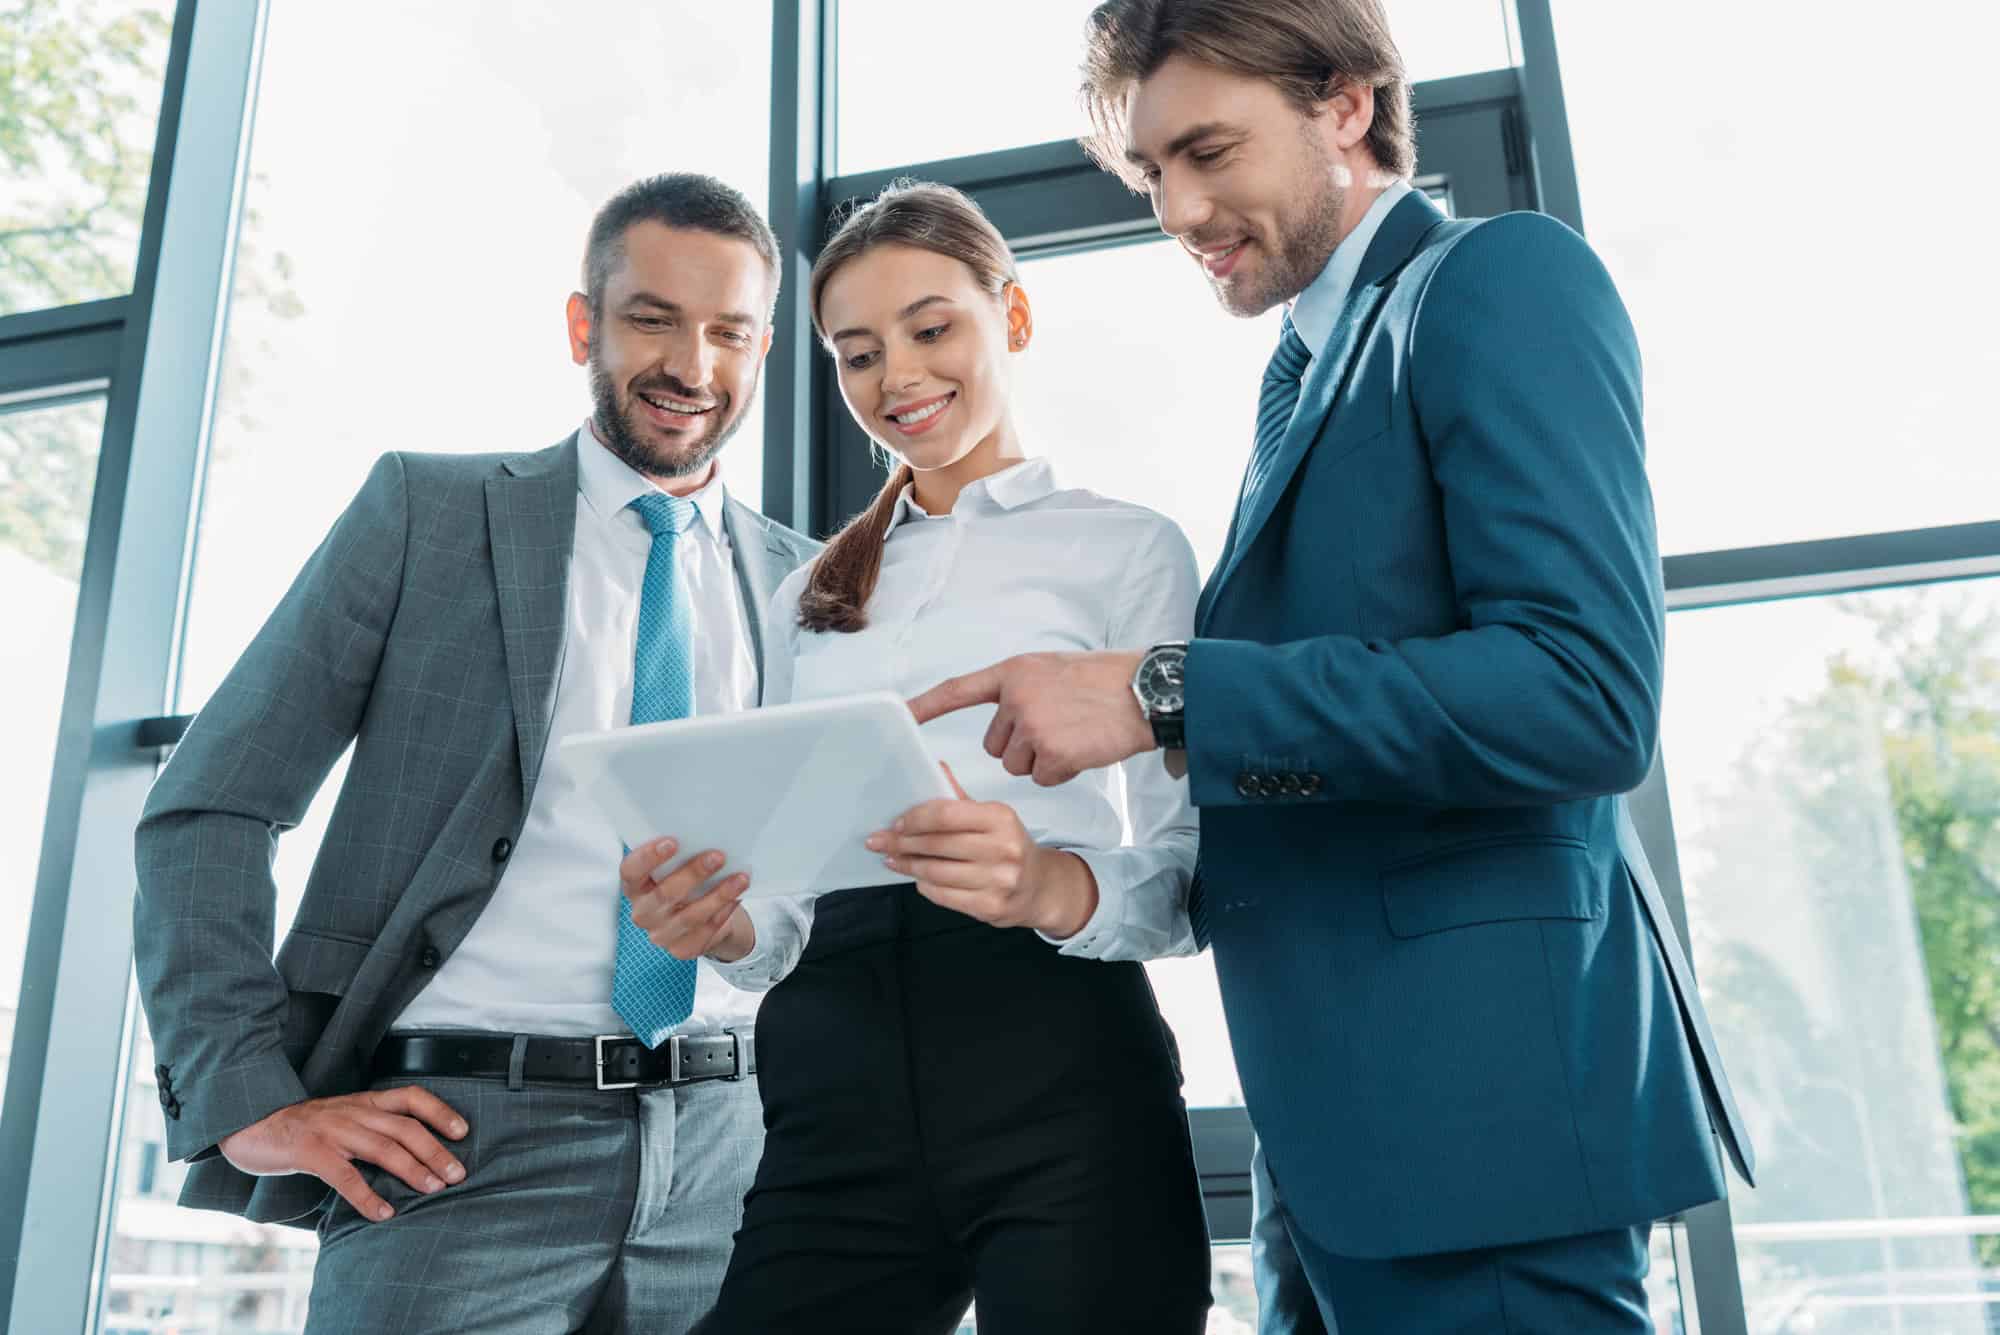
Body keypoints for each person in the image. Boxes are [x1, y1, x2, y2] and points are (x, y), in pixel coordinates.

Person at [904, 2, 1758, 1331]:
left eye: (1208, 152)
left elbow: (1583, 695)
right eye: (1150, 176)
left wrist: (1156, 692)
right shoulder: (1305, 368)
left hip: (1481, 1137)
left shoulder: (1497, 281)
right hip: (1347, 1144)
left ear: (1347, 104)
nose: (1179, 210)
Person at [131, 172, 820, 1334]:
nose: (691, 367)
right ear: (581, 325)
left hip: (736, 1160)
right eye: (652, 317)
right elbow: (213, 804)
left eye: (729, 334)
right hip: (457, 1153)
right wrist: (245, 1100)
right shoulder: (427, 515)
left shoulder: (809, 587)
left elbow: (818, 892)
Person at [662, 181, 1211, 1335]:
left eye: (930, 328)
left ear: (1010, 318)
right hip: (829, 1074)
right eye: (857, 354)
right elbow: (783, 909)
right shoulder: (802, 595)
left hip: (1055, 1053)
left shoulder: (1124, 550)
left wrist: (1044, 885)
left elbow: (1190, 871)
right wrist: (729, 927)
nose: (896, 378)